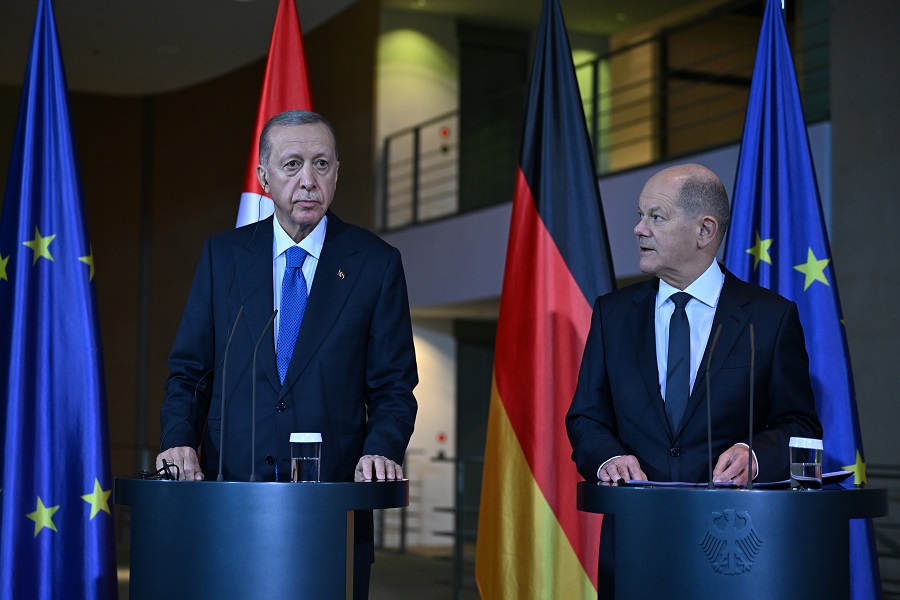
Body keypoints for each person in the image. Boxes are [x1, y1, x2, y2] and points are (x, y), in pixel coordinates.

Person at [156, 110, 418, 598]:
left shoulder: (376, 263)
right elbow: (190, 371)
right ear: (264, 177)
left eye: (321, 164)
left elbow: (394, 387)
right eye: (292, 164)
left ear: (337, 172)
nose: (307, 180)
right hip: (231, 499)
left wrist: (381, 448)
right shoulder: (223, 257)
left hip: (331, 506)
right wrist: (178, 440)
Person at [565, 163, 821, 595]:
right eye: (640, 214)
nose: (637, 229)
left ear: (705, 231)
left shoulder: (770, 317)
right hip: (636, 548)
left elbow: (801, 425)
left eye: (656, 217)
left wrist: (753, 453)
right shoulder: (613, 313)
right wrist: (609, 459)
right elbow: (586, 418)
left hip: (736, 551)